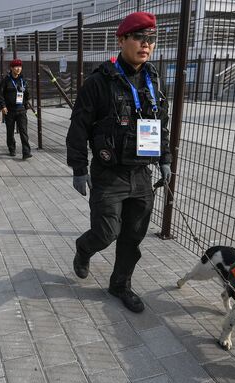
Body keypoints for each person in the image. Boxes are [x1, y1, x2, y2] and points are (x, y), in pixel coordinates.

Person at [66, 12, 172, 313]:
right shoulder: (100, 82)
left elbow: (160, 124)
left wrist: (165, 158)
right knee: (106, 232)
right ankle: (84, 249)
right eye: (139, 37)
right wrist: (78, 168)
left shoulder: (153, 79)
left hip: (141, 172)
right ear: (122, 40)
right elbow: (79, 127)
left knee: (132, 237)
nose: (146, 44)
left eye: (150, 39)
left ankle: (120, 284)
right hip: (109, 174)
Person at [0, 59, 32, 159]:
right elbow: (0, 94)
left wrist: (25, 105)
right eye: (16, 67)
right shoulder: (6, 81)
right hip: (9, 110)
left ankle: (26, 152)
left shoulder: (23, 80)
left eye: (20, 67)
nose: (18, 69)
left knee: (23, 131)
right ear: (11, 68)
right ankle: (12, 148)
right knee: (10, 131)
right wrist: (3, 106)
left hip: (21, 110)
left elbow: (27, 94)